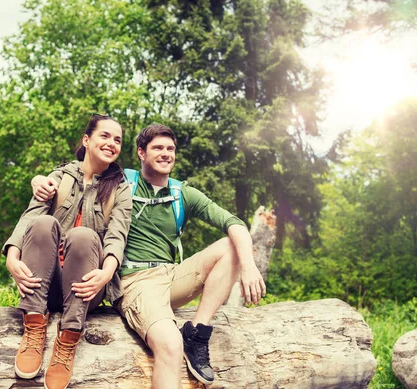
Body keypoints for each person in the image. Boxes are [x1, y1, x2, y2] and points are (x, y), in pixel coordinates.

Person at [32, 124, 265, 389]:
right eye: (158, 148)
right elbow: (79, 170)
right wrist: (39, 180)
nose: (166, 154)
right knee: (169, 344)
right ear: (141, 153)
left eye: (170, 149)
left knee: (231, 245)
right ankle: (179, 341)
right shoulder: (121, 181)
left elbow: (233, 222)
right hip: (135, 281)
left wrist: (248, 266)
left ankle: (197, 333)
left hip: (172, 275)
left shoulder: (182, 193)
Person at [3, 114, 132, 389]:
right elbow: (29, 218)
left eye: (117, 140)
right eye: (105, 136)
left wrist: (106, 274)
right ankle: (34, 325)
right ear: (87, 140)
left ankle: (69, 334)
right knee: (42, 222)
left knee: (83, 235)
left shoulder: (120, 189)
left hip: (86, 289)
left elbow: (117, 236)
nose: (111, 143)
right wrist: (12, 256)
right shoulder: (57, 178)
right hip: (44, 284)